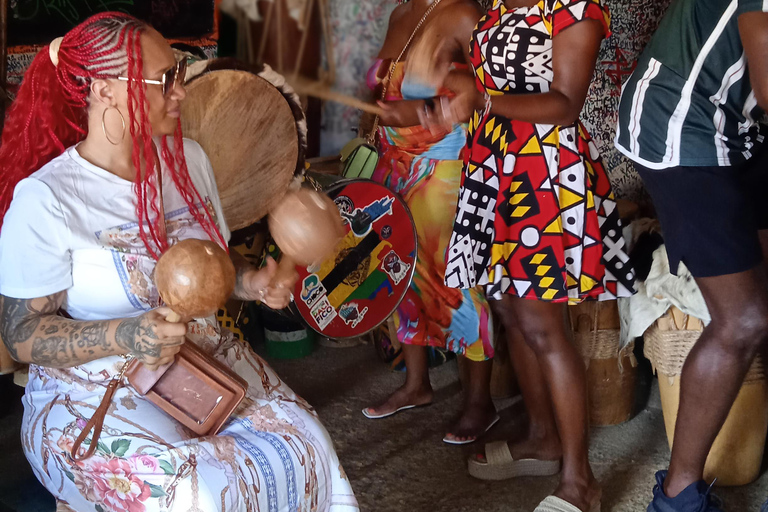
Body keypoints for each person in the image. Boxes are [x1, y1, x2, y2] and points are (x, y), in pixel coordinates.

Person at [0, 13, 357, 512]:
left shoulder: (188, 160)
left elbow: (207, 263)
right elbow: (20, 333)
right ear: (104, 89)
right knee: (199, 494)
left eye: (180, 74)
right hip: (95, 387)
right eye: (164, 79)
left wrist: (251, 282)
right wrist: (128, 335)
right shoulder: (47, 198)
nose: (181, 91)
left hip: (202, 363)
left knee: (307, 447)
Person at [415, 0, 634, 510]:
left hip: (543, 175)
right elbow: (482, 85)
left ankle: (582, 482)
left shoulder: (574, 9)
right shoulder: (494, 7)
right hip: (494, 165)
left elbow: (565, 103)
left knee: (542, 324)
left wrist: (486, 101)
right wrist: (449, 101)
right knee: (512, 311)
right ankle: (542, 438)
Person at [615, 0, 768, 510]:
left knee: (760, 293)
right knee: (743, 318)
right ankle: (677, 495)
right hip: (682, 123)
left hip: (745, 125)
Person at [361, 0, 499, 445]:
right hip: (393, 165)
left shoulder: (464, 13)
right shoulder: (402, 13)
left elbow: (486, 93)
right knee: (402, 272)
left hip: (443, 171)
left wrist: (418, 111)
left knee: (458, 284)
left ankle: (481, 403)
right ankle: (416, 385)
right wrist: (374, 106)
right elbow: (380, 87)